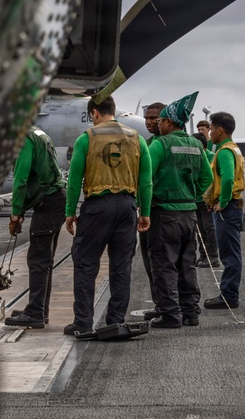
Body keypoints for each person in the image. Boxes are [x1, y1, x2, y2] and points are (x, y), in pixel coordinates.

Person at [64, 96, 152, 335]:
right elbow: (145, 181)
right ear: (113, 110)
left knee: (85, 266)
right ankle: (115, 321)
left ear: (94, 112)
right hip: (127, 206)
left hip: (97, 207)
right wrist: (145, 212)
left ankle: (83, 322)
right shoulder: (138, 139)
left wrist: (70, 212)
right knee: (121, 267)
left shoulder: (87, 138)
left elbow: (74, 181)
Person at [145, 94, 212, 329]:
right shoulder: (196, 145)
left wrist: (143, 207)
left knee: (164, 265)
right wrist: (192, 195)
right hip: (189, 213)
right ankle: (191, 312)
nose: (157, 124)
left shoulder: (160, 144)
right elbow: (208, 177)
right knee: (187, 264)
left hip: (164, 213)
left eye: (160, 121)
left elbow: (145, 178)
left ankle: (170, 314)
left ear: (169, 122)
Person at [4, 126, 67, 329]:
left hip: (48, 203)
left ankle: (36, 313)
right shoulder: (39, 133)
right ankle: (38, 309)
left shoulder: (23, 138)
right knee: (44, 259)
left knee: (38, 259)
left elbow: (20, 179)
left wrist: (16, 212)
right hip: (55, 200)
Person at [203, 112, 245, 309]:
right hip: (233, 208)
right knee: (232, 253)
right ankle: (229, 293)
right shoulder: (234, 149)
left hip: (227, 209)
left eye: (211, 129)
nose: (209, 133)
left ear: (220, 130)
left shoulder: (225, 152)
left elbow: (228, 178)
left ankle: (229, 295)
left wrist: (223, 201)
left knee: (229, 255)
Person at [139, 103, 164, 303]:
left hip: (156, 210)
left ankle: (164, 306)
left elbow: (144, 180)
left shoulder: (154, 145)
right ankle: (183, 308)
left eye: (154, 118)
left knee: (155, 260)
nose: (148, 122)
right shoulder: (147, 142)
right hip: (182, 210)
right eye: (147, 118)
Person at [191, 132, 220, 268]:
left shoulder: (211, 157)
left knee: (209, 228)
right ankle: (203, 256)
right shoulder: (193, 157)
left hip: (206, 200)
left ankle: (213, 257)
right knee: (200, 230)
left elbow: (212, 180)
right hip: (195, 199)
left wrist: (212, 199)